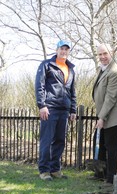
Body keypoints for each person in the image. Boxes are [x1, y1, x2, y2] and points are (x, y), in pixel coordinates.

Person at [35, 40, 77, 181]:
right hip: (49, 108)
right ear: (57, 50)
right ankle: (44, 171)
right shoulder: (46, 65)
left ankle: (55, 169)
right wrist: (42, 105)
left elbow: (72, 91)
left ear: (68, 51)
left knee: (60, 141)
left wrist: (73, 110)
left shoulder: (70, 69)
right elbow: (39, 86)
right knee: (47, 140)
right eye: (61, 49)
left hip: (64, 110)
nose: (64, 51)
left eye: (66, 49)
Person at [92, 43, 117, 184]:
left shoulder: (114, 71)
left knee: (113, 148)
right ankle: (101, 174)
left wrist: (101, 117)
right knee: (100, 144)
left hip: (115, 117)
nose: (102, 57)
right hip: (105, 114)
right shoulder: (103, 69)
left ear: (112, 53)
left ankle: (112, 178)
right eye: (100, 54)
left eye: (105, 54)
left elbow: (110, 97)